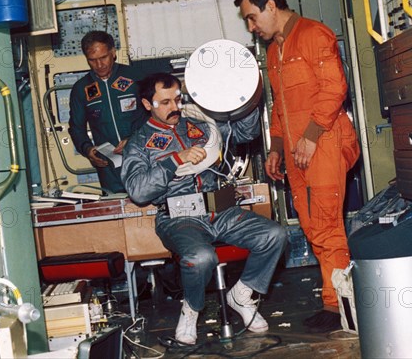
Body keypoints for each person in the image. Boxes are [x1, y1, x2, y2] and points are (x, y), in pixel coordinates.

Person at [121, 72, 287, 345]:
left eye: (177, 99)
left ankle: (243, 294)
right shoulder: (139, 144)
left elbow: (246, 132)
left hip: (220, 209)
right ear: (146, 104)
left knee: (274, 235)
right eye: (164, 102)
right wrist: (174, 160)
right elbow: (138, 192)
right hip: (179, 218)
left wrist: (247, 98)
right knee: (200, 257)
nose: (174, 107)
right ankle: (191, 308)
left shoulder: (201, 126)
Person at [235, 0, 360, 333]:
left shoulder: (314, 35)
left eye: (252, 18)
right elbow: (279, 108)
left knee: (327, 225)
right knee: (310, 226)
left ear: (271, 6)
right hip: (297, 151)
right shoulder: (274, 51)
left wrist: (311, 136)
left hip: (324, 143)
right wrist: (275, 149)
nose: (251, 27)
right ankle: (333, 298)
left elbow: (335, 88)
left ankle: (339, 308)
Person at [68, 30, 147, 193]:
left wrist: (133, 139)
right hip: (110, 169)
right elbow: (76, 128)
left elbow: (154, 115)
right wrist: (87, 149)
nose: (99, 65)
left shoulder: (136, 77)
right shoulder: (81, 89)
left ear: (113, 52)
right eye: (92, 60)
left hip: (144, 157)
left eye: (103, 57)